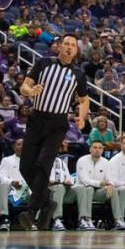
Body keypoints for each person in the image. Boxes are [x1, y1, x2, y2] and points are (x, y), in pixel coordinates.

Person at [17, 35, 89, 232]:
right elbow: (24, 85)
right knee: (25, 166)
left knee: (43, 164)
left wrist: (82, 117)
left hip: (58, 124)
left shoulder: (78, 74)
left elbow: (84, 100)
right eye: (66, 43)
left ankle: (31, 211)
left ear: (76, 51)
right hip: (36, 119)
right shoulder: (43, 63)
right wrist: (30, 92)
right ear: (59, 46)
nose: (69, 47)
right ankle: (47, 201)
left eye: (73, 45)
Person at [75, 141, 115, 231]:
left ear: (103, 150)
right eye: (95, 147)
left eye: (100, 148)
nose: (97, 150)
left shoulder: (106, 162)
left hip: (98, 190)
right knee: (88, 188)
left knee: (113, 189)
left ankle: (118, 220)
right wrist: (100, 183)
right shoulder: (82, 160)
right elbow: (84, 180)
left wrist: (110, 185)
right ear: (90, 149)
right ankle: (85, 219)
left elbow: (110, 179)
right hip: (80, 189)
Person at [0, 138, 27, 232]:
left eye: (24, 144)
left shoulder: (32, 161)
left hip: (27, 191)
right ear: (14, 147)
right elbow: (3, 177)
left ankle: (34, 220)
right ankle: (4, 218)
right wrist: (12, 182)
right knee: (3, 186)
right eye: (19, 144)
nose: (21, 146)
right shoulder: (7, 160)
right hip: (12, 190)